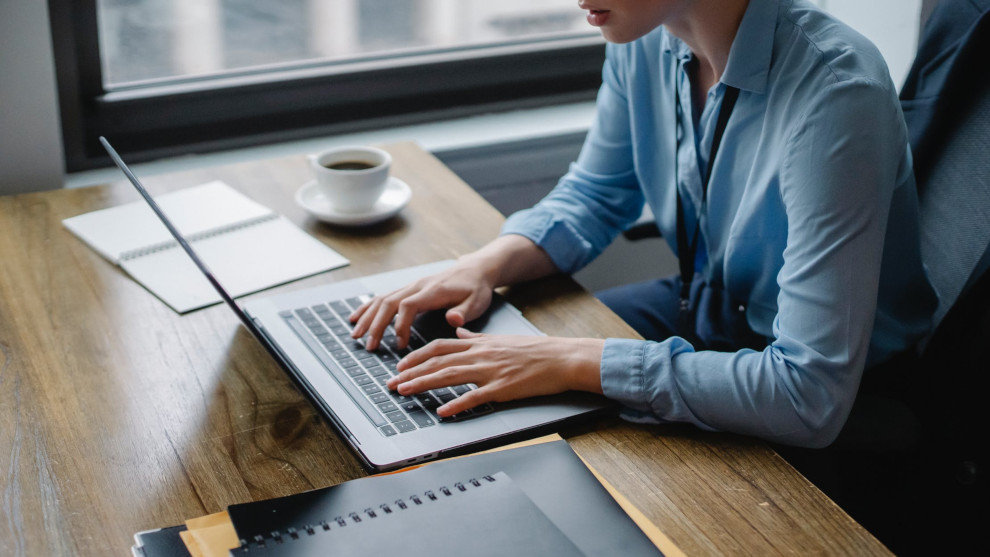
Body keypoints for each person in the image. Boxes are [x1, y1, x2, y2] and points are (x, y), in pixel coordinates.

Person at [349, 0, 936, 448]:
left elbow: (809, 395)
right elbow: (598, 192)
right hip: (706, 310)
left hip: (833, 390)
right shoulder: (646, 35)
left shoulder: (837, 94)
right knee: (440, 385)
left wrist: (572, 361)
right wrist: (485, 264)